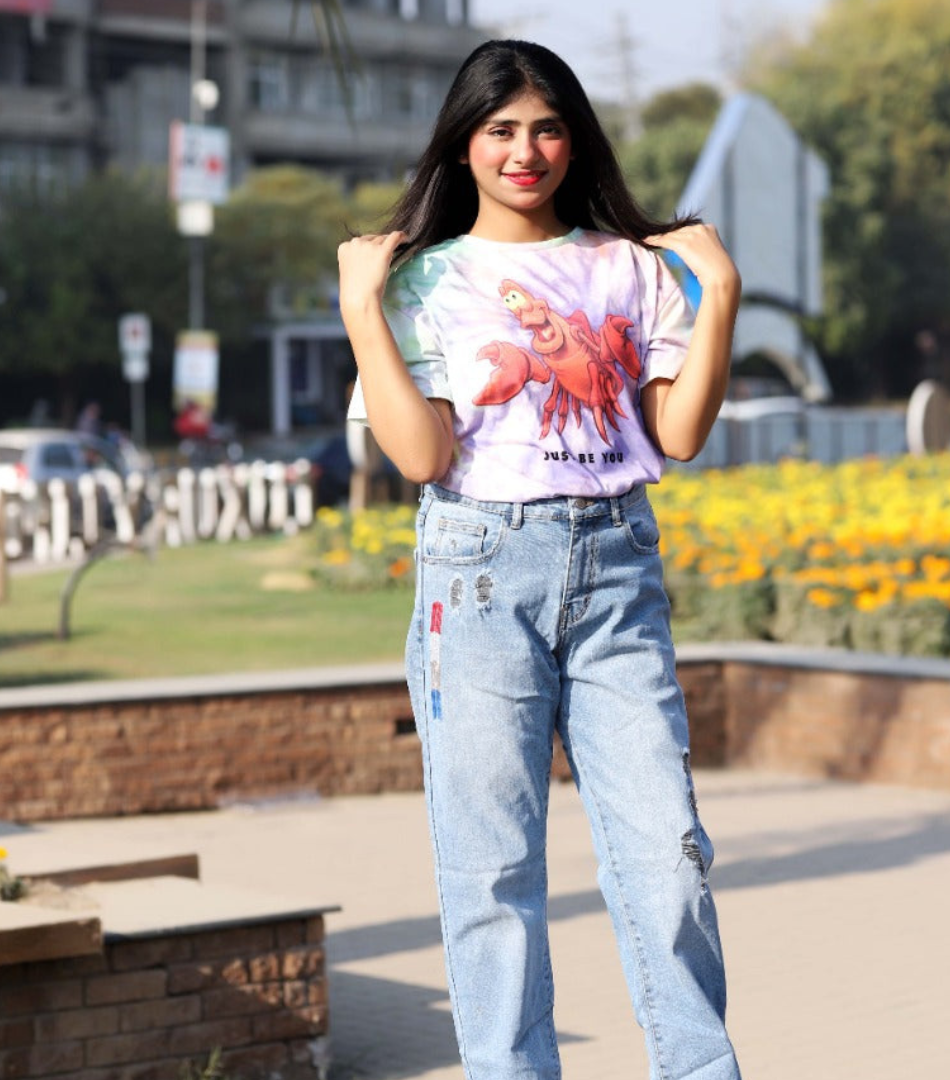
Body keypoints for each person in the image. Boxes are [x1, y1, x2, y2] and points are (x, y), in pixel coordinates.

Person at [338, 40, 743, 1080]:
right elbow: (423, 456)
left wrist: (720, 289)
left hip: (617, 570)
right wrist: (360, 309)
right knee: (493, 874)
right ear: (463, 145)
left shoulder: (630, 268)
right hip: (479, 574)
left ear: (576, 140)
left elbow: (679, 433)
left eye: (548, 128)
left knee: (668, 856)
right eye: (501, 130)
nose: (526, 151)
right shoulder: (423, 280)